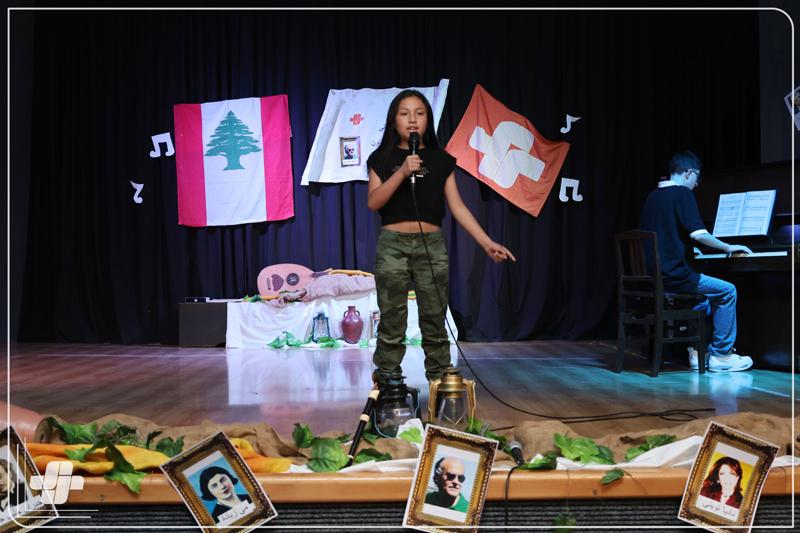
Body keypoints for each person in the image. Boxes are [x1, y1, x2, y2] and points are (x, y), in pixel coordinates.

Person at [367, 89, 516, 383]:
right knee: (392, 318)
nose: (412, 120)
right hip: (392, 246)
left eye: (419, 113)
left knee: (434, 317)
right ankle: (387, 380)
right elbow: (374, 202)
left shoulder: (441, 160)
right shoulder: (381, 158)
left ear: (428, 119)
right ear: (394, 119)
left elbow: (457, 207)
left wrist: (486, 242)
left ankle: (439, 381)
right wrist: (402, 172)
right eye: (405, 113)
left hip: (431, 247)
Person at [639, 150, 753, 372]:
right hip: (675, 276)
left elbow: (665, 235)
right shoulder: (682, 193)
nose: (697, 184)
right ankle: (721, 355)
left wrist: (689, 251)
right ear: (689, 173)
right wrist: (727, 247)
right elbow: (699, 234)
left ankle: (695, 352)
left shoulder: (653, 196)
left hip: (655, 274)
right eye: (697, 178)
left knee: (700, 300)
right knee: (727, 291)